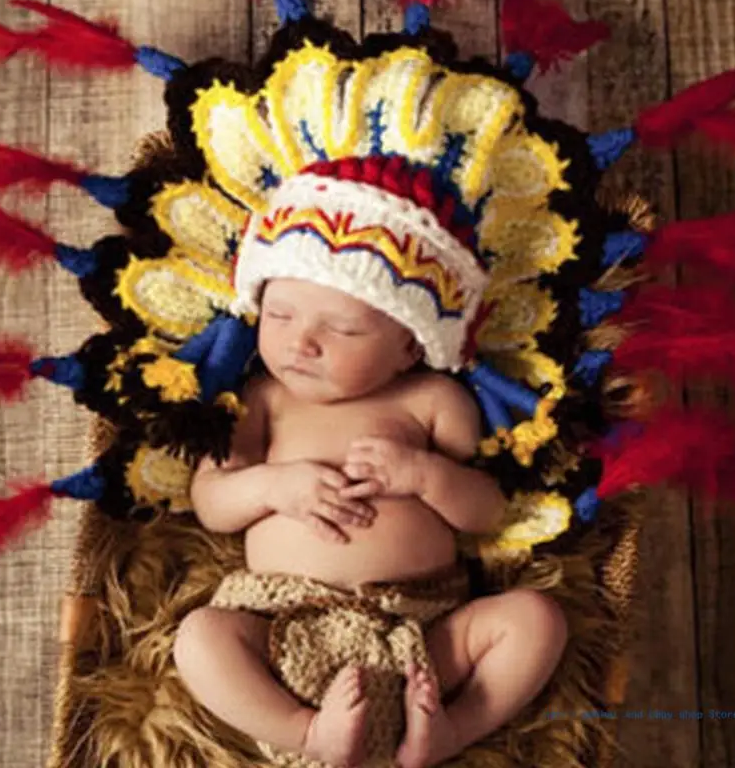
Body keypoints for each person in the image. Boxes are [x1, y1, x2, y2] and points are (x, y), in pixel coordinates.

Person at [173, 274, 568, 768]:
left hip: (421, 632)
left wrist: (425, 477)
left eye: (343, 329)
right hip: (284, 630)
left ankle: (452, 731)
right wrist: (272, 486)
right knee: (200, 637)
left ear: (408, 343)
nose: (301, 342)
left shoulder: (433, 400)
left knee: (536, 620)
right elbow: (212, 502)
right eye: (279, 315)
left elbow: (486, 512)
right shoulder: (261, 400)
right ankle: (307, 730)